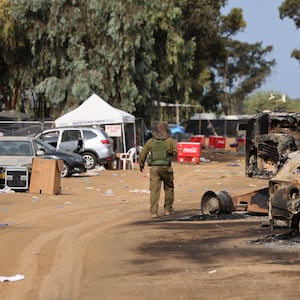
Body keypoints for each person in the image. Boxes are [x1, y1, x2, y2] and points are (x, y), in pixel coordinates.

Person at [139, 121, 178, 218]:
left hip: (154, 170)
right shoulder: (170, 141)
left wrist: (141, 164)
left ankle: (154, 212)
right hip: (166, 168)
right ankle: (168, 210)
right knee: (169, 188)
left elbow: (142, 154)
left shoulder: (150, 142)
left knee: (154, 191)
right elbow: (175, 153)